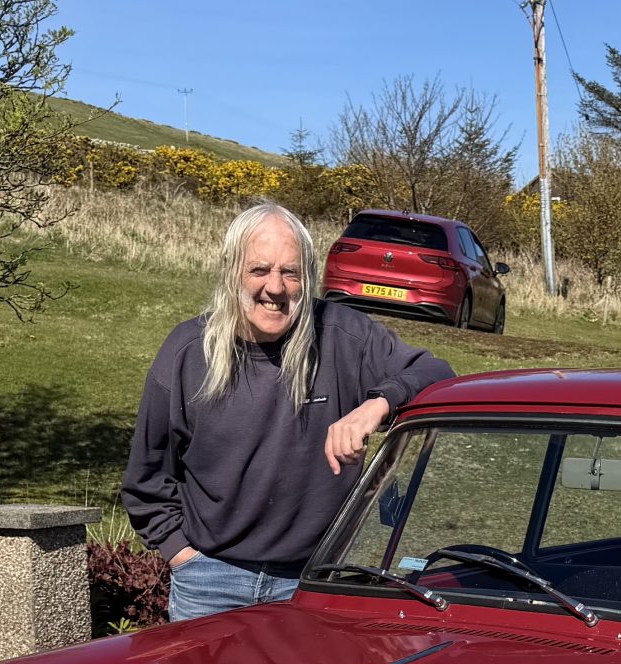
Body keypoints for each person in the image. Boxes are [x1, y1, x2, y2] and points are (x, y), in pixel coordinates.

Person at [122, 202, 455, 621]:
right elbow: (146, 477)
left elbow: (437, 373)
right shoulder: (188, 351)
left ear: (308, 276)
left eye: (290, 272)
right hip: (210, 579)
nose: (275, 288)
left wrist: (376, 405)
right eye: (259, 270)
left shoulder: (342, 334)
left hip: (314, 580)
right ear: (232, 271)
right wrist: (180, 554)